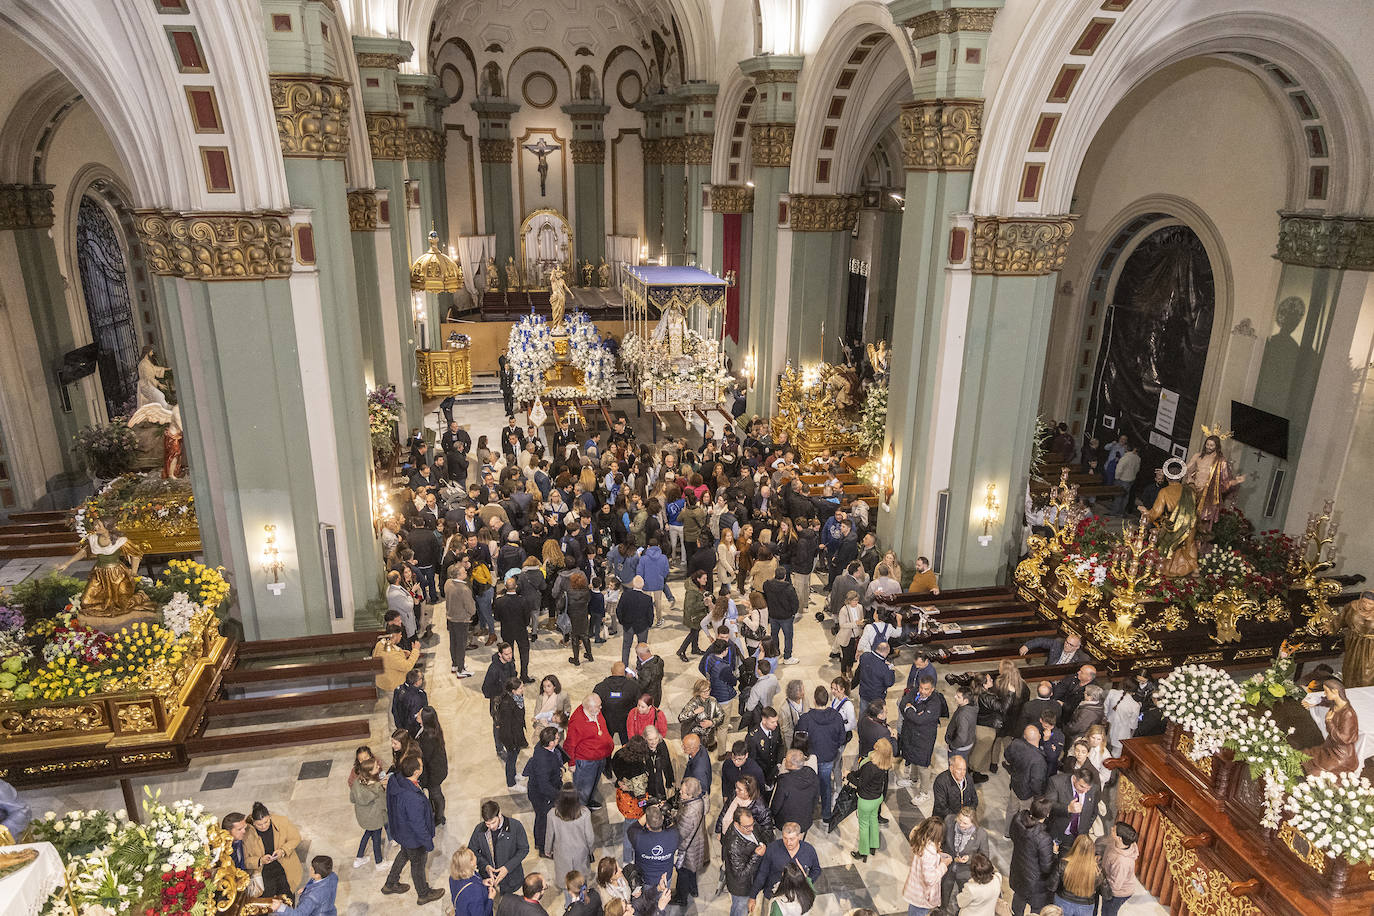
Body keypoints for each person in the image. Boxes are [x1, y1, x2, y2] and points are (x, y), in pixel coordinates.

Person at [382, 757, 445, 904]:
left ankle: (390, 884)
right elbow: (418, 825)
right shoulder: (412, 799)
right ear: (417, 772)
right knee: (418, 865)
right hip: (413, 838)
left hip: (401, 830)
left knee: (404, 854)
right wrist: (428, 843)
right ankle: (423, 894)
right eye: (421, 765)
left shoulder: (396, 779)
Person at [795, 686, 847, 821]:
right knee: (826, 785)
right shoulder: (836, 716)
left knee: (808, 786)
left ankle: (807, 814)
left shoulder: (805, 718)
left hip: (810, 759)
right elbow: (842, 739)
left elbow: (799, 740)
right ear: (828, 699)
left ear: (814, 700)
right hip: (829, 757)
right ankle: (826, 814)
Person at [546, 787, 596, 907]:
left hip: (562, 853)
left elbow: (549, 835)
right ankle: (584, 903)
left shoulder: (552, 814)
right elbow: (590, 836)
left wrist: (547, 850)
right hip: (580, 853)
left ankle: (569, 906)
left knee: (566, 882)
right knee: (581, 879)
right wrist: (591, 850)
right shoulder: (584, 813)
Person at [470, 799, 530, 898]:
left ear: (499, 814)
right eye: (487, 824)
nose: (491, 827)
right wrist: (486, 866)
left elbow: (524, 849)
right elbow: (472, 852)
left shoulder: (515, 826)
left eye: (493, 822)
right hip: (489, 879)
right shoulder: (479, 830)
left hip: (511, 879)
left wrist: (507, 868)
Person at [244, 802, 303, 901]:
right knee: (266, 899)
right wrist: (260, 860)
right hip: (263, 871)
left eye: (266, 822)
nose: (263, 826)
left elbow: (296, 838)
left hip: (283, 865)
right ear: (253, 822)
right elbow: (246, 860)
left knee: (287, 895)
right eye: (259, 824)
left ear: (269, 817)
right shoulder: (247, 834)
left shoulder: (282, 821)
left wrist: (283, 850)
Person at [1303, 677, 1361, 775]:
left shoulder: (1348, 714)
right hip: (1329, 747)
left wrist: (1329, 722)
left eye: (1326, 691)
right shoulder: (1336, 703)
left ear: (1335, 691)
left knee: (1316, 771)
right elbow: (1327, 701)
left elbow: (1344, 739)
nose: (1325, 694)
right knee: (1304, 755)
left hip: (1342, 754)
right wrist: (1315, 703)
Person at [848, 738, 893, 862]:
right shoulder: (884, 764)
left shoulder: (870, 766)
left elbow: (860, 784)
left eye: (876, 746)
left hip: (866, 800)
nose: (874, 746)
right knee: (873, 820)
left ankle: (863, 852)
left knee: (863, 826)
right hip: (877, 798)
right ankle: (873, 845)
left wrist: (847, 775)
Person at [567, 694, 614, 809]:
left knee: (593, 784)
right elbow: (569, 744)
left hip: (599, 758)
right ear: (589, 707)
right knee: (583, 788)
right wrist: (572, 763)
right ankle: (580, 809)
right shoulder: (577, 722)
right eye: (598, 706)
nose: (601, 708)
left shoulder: (596, 712)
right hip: (586, 762)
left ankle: (589, 801)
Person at [1010, 798, 1055, 916]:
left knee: (1018, 899)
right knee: (1037, 908)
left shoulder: (1017, 819)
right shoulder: (1043, 838)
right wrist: (1054, 852)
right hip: (1035, 881)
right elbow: (1046, 867)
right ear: (1047, 814)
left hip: (1018, 870)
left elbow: (1012, 835)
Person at [940, 808, 990, 914]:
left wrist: (970, 858)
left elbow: (984, 856)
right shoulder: (949, 820)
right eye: (959, 820)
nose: (961, 825)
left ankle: (961, 912)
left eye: (965, 823)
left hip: (965, 871)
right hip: (948, 866)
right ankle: (942, 909)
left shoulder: (981, 834)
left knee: (964, 894)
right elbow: (942, 840)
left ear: (973, 823)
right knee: (944, 889)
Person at [753, 822, 821, 900]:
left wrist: (807, 883)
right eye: (785, 838)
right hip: (774, 893)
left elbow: (816, 870)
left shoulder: (809, 850)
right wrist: (753, 896)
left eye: (792, 839)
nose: (788, 843)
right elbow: (762, 872)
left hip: (798, 894)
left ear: (799, 836)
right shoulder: (772, 848)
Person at [524, 726, 564, 855]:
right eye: (557, 738)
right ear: (551, 743)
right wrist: (560, 796)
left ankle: (539, 842)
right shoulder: (543, 761)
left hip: (543, 789)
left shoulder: (542, 746)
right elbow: (544, 786)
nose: (560, 739)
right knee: (543, 820)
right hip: (541, 795)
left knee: (542, 818)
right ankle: (542, 848)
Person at [1004, 724, 1048, 836]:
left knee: (1011, 810)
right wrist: (1038, 797)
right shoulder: (1038, 760)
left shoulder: (1016, 743)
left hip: (1015, 785)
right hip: (1027, 794)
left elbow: (1007, 756)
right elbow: (1036, 782)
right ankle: (1021, 837)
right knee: (1026, 816)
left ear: (1024, 736)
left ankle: (1007, 833)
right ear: (1039, 736)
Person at [902, 816, 950, 916]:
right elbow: (930, 879)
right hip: (922, 895)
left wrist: (937, 854)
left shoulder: (919, 839)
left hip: (916, 889)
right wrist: (943, 865)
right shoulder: (929, 854)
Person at [672, 776, 708, 907]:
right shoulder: (700, 801)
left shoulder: (689, 812)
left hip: (688, 848)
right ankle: (693, 890)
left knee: (683, 873)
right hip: (696, 842)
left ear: (691, 794)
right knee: (692, 870)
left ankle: (681, 898)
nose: (680, 793)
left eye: (682, 792)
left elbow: (681, 834)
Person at [722, 808, 767, 916]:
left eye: (752, 824)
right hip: (741, 889)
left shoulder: (748, 826)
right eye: (747, 827)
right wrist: (756, 856)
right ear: (736, 824)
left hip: (751, 881)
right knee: (740, 911)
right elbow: (741, 875)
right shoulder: (733, 846)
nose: (751, 828)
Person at [349, 749, 388, 869]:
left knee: (366, 835)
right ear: (371, 772)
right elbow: (383, 804)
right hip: (375, 818)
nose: (378, 766)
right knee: (376, 839)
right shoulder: (377, 787)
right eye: (376, 767)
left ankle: (359, 858)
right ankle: (379, 863)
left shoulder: (356, 782)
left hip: (363, 817)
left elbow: (352, 799)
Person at [1046, 768, 1101, 850]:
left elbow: (1093, 812)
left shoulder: (1094, 789)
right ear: (1075, 779)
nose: (1085, 791)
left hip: (1079, 836)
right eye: (1082, 786)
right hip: (1059, 833)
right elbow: (1049, 805)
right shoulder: (1056, 782)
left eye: (1088, 789)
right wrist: (1067, 808)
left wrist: (1084, 828)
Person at [1051, 835, 1106, 916]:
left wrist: (1055, 855)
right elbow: (1106, 894)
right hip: (1086, 906)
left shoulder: (1063, 863)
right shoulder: (1098, 870)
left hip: (1063, 901)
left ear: (1075, 847)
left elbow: (1052, 886)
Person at [771, 749, 821, 835]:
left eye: (786, 760)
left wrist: (771, 815)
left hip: (786, 823)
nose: (785, 762)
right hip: (805, 820)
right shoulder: (811, 773)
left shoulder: (784, 781)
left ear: (791, 764)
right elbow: (816, 797)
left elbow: (777, 804)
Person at [269, 855, 338, 916]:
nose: (310, 868)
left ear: (318, 875)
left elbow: (299, 914)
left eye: (312, 869)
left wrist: (280, 907)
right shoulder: (332, 876)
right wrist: (306, 888)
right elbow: (318, 885)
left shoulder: (312, 897)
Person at [415, 706, 449, 825]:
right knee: (434, 794)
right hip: (434, 769)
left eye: (419, 715)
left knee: (436, 794)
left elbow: (425, 758)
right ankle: (435, 812)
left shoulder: (428, 738)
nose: (416, 716)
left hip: (434, 773)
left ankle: (439, 817)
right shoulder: (430, 730)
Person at [482, 643, 518, 754]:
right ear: (500, 654)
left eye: (511, 653)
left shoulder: (511, 663)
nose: (509, 656)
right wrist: (500, 692)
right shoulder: (494, 669)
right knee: (498, 727)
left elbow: (514, 677)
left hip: (510, 700)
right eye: (506, 654)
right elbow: (485, 689)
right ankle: (499, 749)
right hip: (498, 703)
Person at [595, 661, 642, 743]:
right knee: (627, 746)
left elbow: (594, 705)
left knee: (605, 746)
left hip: (606, 723)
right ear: (624, 673)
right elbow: (639, 704)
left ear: (611, 670)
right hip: (626, 723)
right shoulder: (633, 686)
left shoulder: (600, 687)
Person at [1099, 821, 1139, 916]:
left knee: (1108, 913)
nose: (1111, 829)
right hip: (1109, 880)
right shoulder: (1118, 843)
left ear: (1119, 838)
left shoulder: (1122, 862)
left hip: (1117, 893)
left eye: (1113, 830)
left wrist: (1100, 879)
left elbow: (1115, 885)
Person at [496, 677, 529, 787]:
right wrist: (511, 744)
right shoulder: (506, 704)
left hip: (517, 733)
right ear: (513, 691)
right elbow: (505, 727)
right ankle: (511, 783)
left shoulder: (518, 697)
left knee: (514, 758)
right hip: (510, 737)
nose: (522, 689)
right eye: (520, 688)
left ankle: (514, 774)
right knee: (511, 759)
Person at [764, 565, 801, 663]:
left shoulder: (767, 585)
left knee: (774, 635)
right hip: (786, 617)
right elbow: (795, 603)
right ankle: (787, 657)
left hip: (773, 615)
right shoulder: (789, 588)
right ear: (785, 576)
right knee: (788, 637)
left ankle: (776, 652)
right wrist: (793, 613)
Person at [678, 677, 726, 751]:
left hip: (707, 737)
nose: (707, 693)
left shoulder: (713, 701)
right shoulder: (693, 703)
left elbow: (721, 715)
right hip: (694, 738)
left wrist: (712, 722)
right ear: (698, 692)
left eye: (708, 690)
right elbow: (681, 717)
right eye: (704, 691)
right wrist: (694, 712)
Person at [445, 564, 476, 677]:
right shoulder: (464, 589)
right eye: (463, 572)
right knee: (461, 645)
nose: (466, 573)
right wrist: (471, 613)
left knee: (453, 642)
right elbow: (471, 608)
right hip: (461, 620)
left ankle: (455, 664)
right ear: (458, 575)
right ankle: (461, 670)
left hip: (450, 618)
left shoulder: (448, 583)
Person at [448, 847, 497, 916]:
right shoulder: (475, 891)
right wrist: (490, 899)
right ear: (470, 863)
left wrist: (482, 882)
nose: (476, 856)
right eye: (474, 855)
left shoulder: (453, 876)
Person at [618, 576, 655, 666]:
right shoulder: (647, 599)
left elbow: (619, 610)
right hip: (642, 627)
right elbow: (650, 614)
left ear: (633, 584)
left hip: (628, 626)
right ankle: (640, 667)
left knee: (626, 647)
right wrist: (649, 624)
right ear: (642, 585)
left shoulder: (625, 595)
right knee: (642, 649)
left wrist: (622, 621)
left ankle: (624, 667)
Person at [746, 707, 785, 791]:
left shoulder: (775, 729)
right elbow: (752, 761)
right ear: (764, 720)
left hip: (775, 771)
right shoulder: (752, 737)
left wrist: (779, 763)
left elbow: (780, 746)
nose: (776, 724)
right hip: (761, 774)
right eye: (772, 722)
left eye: (776, 721)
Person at [374, 625, 420, 692]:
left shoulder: (380, 644)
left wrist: (402, 654)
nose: (401, 636)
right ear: (394, 636)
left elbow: (388, 659)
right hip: (393, 685)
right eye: (400, 635)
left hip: (381, 680)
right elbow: (407, 666)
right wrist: (415, 650)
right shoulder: (391, 655)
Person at [932, 755, 979, 820]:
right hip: (944, 819)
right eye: (959, 769)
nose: (962, 773)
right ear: (951, 768)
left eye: (964, 769)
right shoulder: (941, 781)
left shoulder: (968, 778)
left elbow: (974, 799)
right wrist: (957, 818)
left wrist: (968, 814)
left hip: (964, 818)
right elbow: (941, 806)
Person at [857, 640, 896, 707]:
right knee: (877, 716)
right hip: (877, 698)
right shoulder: (885, 668)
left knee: (863, 714)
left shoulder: (864, 656)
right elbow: (889, 683)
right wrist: (891, 669)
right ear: (886, 652)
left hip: (864, 693)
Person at [392, 668, 428, 738]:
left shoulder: (398, 689)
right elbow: (415, 717)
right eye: (421, 678)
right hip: (412, 731)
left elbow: (394, 710)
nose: (422, 680)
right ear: (416, 682)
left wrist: (400, 727)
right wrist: (407, 730)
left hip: (400, 727)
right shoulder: (420, 697)